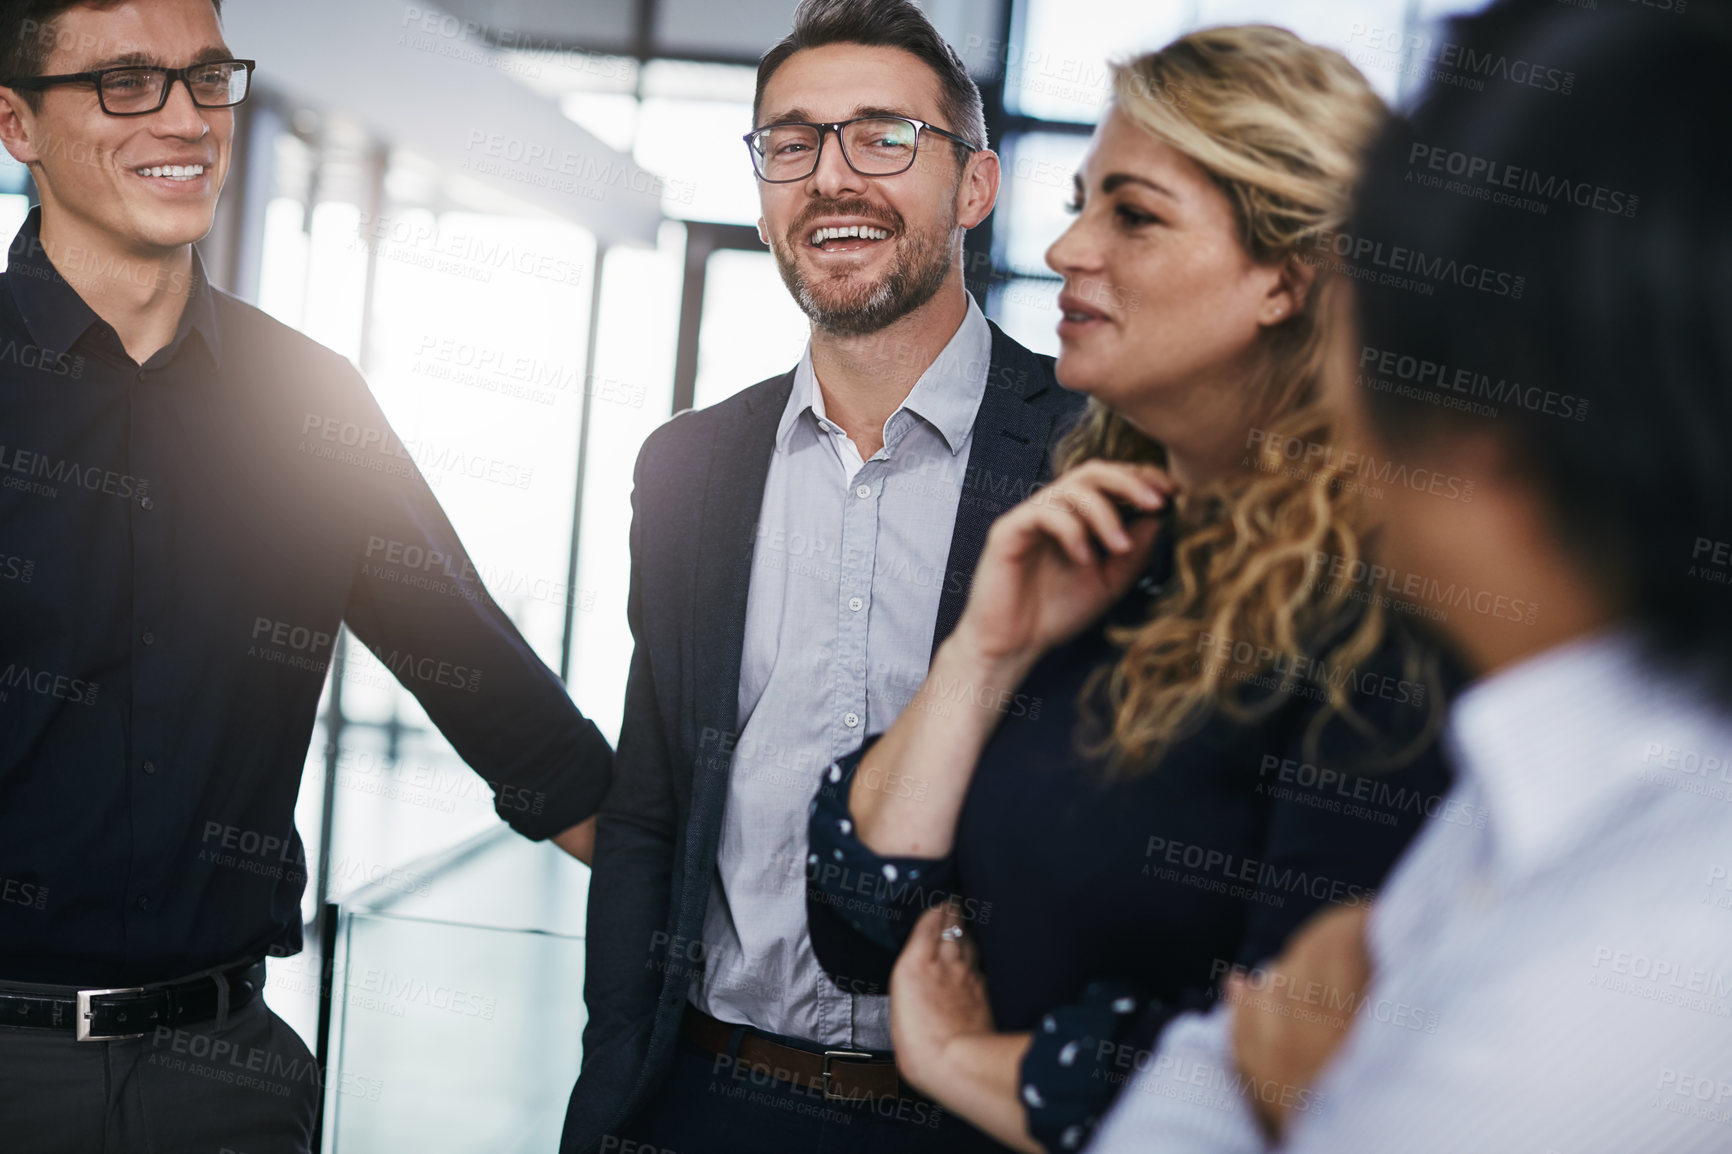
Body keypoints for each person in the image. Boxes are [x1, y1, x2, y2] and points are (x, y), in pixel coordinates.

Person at [804, 25, 1462, 1154]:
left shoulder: (1383, 617)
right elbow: (860, 923)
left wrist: (960, 1058)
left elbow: (1302, 1073)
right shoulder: (1093, 547)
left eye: (1133, 214)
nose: (1065, 248)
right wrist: (986, 652)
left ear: (1288, 276)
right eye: (1077, 201)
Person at [1087, 2, 1732, 1152]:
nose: (1069, 252)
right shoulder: (1524, 783)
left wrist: (1273, 1089)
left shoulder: (1602, 1002)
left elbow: (1249, 1032)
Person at [0, 1, 611, 1150]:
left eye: (204, 77)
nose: (184, 117)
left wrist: (755, 927)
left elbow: (501, 701)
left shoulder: (310, 402)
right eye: (126, 82)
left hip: (229, 1081)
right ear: (15, 123)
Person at [559, 1, 1087, 1151]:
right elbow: (653, 805)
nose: (831, 178)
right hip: (706, 1092)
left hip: (971, 1112)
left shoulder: (1089, 454)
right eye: (791, 143)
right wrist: (612, 1089)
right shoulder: (689, 465)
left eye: (884, 137)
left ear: (977, 186)